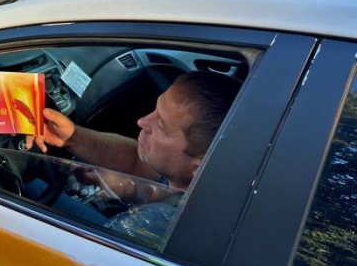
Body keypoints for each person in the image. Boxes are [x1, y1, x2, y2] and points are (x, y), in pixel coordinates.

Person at [30, 70, 241, 242]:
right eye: (156, 110)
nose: (142, 121)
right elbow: (134, 159)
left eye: (161, 125)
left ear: (201, 166)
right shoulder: (201, 180)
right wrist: (71, 137)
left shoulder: (157, 228)